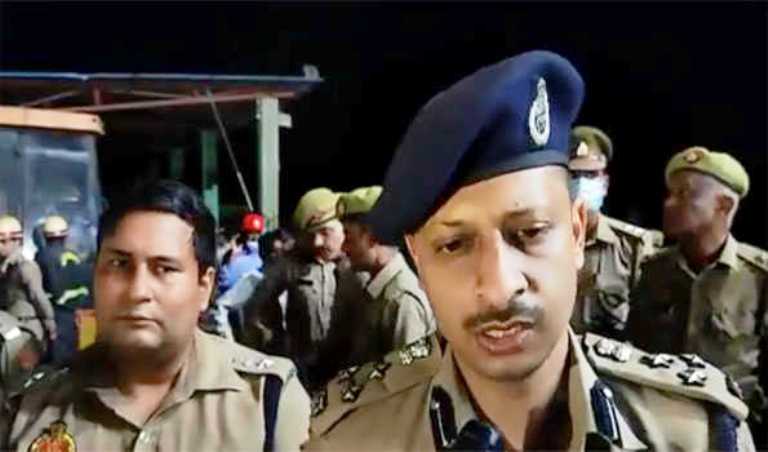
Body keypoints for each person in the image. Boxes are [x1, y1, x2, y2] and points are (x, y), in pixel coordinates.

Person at [305, 51, 754, 450]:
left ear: (576, 234)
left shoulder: (699, 433)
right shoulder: (349, 439)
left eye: (531, 232)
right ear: (417, 258)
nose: (501, 287)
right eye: (454, 244)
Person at [1, 180, 310, 451]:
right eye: (119, 265)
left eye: (165, 269)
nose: (138, 291)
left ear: (204, 287)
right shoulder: (31, 409)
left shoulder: (267, 403)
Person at [626, 146, 767, 445]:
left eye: (684, 194)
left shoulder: (759, 279)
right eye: (670, 193)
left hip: (730, 431)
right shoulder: (655, 271)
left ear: (724, 206)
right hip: (657, 427)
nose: (669, 203)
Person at [241, 188, 367, 390]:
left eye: (325, 232)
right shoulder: (291, 263)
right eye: (311, 235)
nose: (317, 242)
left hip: (353, 374)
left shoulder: (363, 261)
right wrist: (278, 350)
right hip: (306, 375)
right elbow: (256, 311)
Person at [567, 126, 662, 338]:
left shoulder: (633, 246)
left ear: (605, 183)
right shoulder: (540, 240)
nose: (581, 183)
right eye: (573, 174)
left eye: (590, 174)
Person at [336, 185, 435, 362]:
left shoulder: (402, 300)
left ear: (373, 237)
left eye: (349, 239)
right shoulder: (378, 291)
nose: (343, 248)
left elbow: (409, 374)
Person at [34, 215, 92, 364]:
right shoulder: (74, 255)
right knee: (80, 353)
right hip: (81, 312)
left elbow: (41, 289)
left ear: (45, 236)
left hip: (59, 313)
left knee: (60, 359)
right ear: (66, 235)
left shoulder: (42, 256)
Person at [0, 215, 56, 356]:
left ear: (15, 240)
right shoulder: (6, 268)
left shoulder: (26, 267)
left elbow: (38, 296)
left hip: (26, 328)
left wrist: (49, 321)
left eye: (2, 241)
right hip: (9, 328)